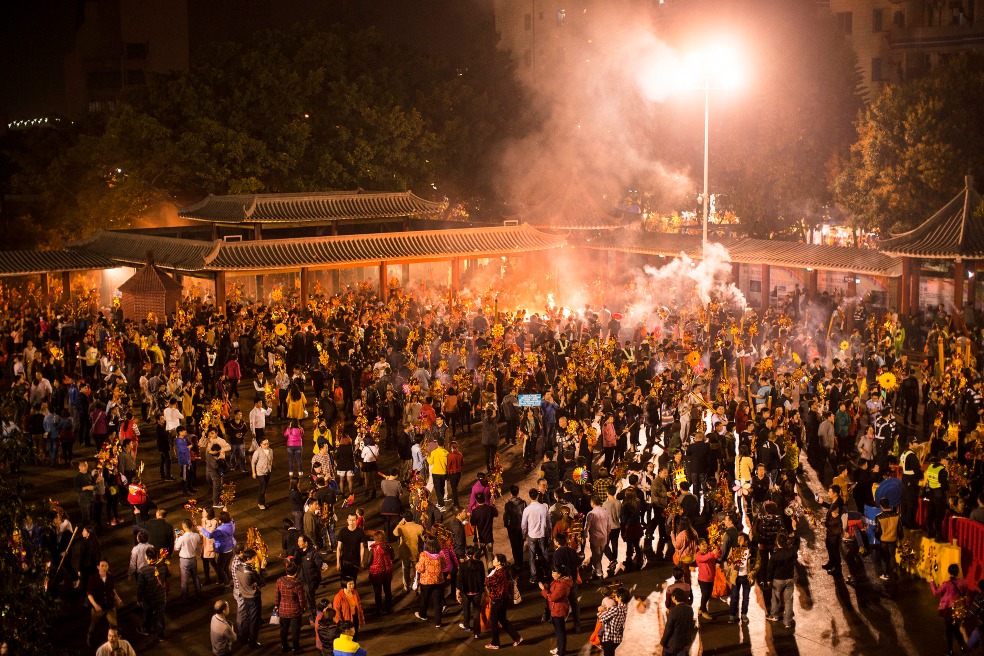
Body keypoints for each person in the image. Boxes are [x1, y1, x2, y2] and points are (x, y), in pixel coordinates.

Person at [484, 553, 523, 649]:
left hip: (497, 599)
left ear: (499, 563)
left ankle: (495, 643)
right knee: (503, 619)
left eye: (495, 560)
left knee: (493, 621)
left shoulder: (499, 573)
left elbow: (487, 582)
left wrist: (490, 575)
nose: (493, 561)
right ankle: (517, 637)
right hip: (502, 599)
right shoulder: (503, 571)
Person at [931, 563, 968, 656]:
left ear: (949, 572)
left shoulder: (947, 584)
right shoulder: (963, 581)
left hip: (949, 609)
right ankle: (962, 647)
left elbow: (935, 592)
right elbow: (966, 595)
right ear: (957, 572)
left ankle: (950, 650)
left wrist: (932, 582)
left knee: (949, 630)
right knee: (955, 628)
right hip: (958, 608)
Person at [135, 546, 168, 641]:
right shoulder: (163, 566)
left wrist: (139, 599)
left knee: (147, 615)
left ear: (147, 558)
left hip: (148, 598)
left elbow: (140, 587)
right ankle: (160, 635)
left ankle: (146, 629)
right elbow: (166, 577)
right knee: (160, 616)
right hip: (161, 596)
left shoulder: (143, 570)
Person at [86, 561, 122, 646]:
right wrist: (95, 605)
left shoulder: (110, 577)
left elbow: (112, 589)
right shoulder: (93, 578)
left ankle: (113, 639)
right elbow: (89, 594)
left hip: (109, 606)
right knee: (93, 624)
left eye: (106, 565)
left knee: (113, 624)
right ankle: (90, 635)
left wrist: (117, 598)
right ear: (98, 567)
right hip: (98, 607)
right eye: (102, 566)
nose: (104, 567)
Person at [766, 533, 797, 628]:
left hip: (778, 579)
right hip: (790, 579)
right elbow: (796, 551)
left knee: (776, 598)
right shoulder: (792, 551)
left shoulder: (775, 555)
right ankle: (787, 622)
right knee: (788, 600)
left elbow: (770, 568)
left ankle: (775, 615)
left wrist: (768, 579)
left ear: (777, 542)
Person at [540, 564, 573, 656]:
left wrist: (543, 590)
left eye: (554, 572)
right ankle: (560, 648)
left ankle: (561, 652)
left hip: (558, 609)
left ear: (560, 574)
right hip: (555, 608)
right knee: (559, 631)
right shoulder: (558, 581)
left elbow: (553, 597)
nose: (552, 574)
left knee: (560, 632)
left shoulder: (562, 585)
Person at [414, 538, 447, 627]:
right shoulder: (441, 554)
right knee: (438, 602)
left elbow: (420, 569)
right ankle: (438, 622)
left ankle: (423, 614)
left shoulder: (423, 555)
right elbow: (444, 566)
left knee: (425, 599)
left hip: (426, 581)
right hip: (439, 581)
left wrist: (416, 565)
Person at [522, 488, 551, 584]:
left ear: (530, 497)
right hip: (542, 534)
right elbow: (548, 521)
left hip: (532, 535)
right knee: (545, 554)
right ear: (537, 496)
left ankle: (534, 577)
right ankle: (547, 572)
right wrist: (549, 532)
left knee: (532, 557)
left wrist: (524, 534)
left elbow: (523, 525)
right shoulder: (543, 508)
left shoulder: (527, 510)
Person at [275, 562, 306, 653]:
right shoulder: (297, 584)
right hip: (295, 611)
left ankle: (284, 646)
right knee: (295, 631)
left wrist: (277, 605)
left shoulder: (279, 581)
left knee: (284, 629)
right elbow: (301, 598)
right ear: (296, 572)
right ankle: (296, 648)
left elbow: (277, 595)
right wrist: (303, 608)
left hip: (283, 609)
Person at [236, 548, 263, 648]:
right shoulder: (250, 572)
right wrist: (263, 568)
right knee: (254, 621)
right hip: (253, 597)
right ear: (248, 559)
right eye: (254, 558)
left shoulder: (238, 567)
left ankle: (243, 638)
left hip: (244, 595)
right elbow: (261, 581)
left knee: (246, 618)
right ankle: (252, 642)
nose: (255, 560)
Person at [457, 546, 486, 638]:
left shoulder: (462, 566)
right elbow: (483, 578)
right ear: (474, 554)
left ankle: (467, 625)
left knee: (466, 609)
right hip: (477, 592)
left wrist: (457, 591)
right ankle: (477, 633)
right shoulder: (480, 564)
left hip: (466, 592)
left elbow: (460, 580)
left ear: (466, 554)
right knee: (476, 612)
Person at [726, 533, 754, 624]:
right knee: (734, 596)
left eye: (740, 540)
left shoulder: (752, 551)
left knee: (746, 598)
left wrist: (752, 573)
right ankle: (732, 615)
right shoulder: (734, 549)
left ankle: (744, 614)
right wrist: (731, 564)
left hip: (747, 577)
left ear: (746, 541)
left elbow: (757, 563)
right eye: (738, 540)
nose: (738, 542)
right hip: (736, 577)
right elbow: (729, 559)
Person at [175, 519, 203, 600]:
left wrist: (177, 538)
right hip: (193, 559)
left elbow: (176, 548)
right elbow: (199, 546)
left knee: (184, 579)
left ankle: (184, 596)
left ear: (184, 527)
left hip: (184, 560)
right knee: (195, 577)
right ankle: (199, 593)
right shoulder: (196, 535)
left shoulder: (182, 538)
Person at [661, 588, 695, 656]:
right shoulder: (690, 609)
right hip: (684, 642)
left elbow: (668, 629)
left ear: (674, 597)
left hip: (672, 644)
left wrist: (663, 641)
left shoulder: (673, 612)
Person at [367, 531, 394, 616]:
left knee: (377, 592)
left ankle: (379, 609)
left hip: (377, 573)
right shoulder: (389, 547)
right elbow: (392, 557)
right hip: (387, 571)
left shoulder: (373, 549)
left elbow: (369, 561)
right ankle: (388, 608)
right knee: (388, 591)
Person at [597, 587, 629, 656]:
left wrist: (601, 610)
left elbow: (601, 618)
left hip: (609, 638)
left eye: (616, 595)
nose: (615, 596)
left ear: (620, 597)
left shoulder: (615, 609)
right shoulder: (626, 609)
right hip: (617, 638)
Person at [874, 496, 900, 580]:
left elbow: (878, 531)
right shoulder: (896, 515)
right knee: (892, 556)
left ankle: (885, 574)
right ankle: (894, 571)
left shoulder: (879, 517)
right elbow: (900, 529)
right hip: (893, 539)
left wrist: (878, 537)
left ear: (881, 506)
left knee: (884, 557)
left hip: (884, 540)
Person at [336, 513, 367, 583]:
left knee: (353, 581)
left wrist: (362, 562)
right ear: (347, 520)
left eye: (353, 520)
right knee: (344, 581)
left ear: (356, 520)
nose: (351, 522)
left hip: (355, 561)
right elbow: (339, 548)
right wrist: (338, 562)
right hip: (345, 561)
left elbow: (362, 548)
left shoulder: (360, 533)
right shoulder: (342, 532)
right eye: (350, 520)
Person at [694, 538, 720, 621]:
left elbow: (717, 556)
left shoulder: (709, 553)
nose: (705, 545)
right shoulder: (698, 555)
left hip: (711, 578)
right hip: (703, 579)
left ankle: (701, 608)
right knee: (705, 595)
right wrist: (712, 553)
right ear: (698, 546)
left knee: (708, 595)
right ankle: (704, 611)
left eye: (705, 544)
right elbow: (705, 558)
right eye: (702, 544)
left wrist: (717, 549)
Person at [251, 437, 274, 510]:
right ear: (261, 444)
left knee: (265, 487)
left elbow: (271, 459)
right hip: (260, 472)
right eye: (264, 444)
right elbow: (253, 462)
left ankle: (263, 502)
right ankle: (260, 503)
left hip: (268, 471)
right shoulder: (258, 452)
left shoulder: (270, 450)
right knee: (262, 488)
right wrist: (254, 472)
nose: (266, 445)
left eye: (267, 444)